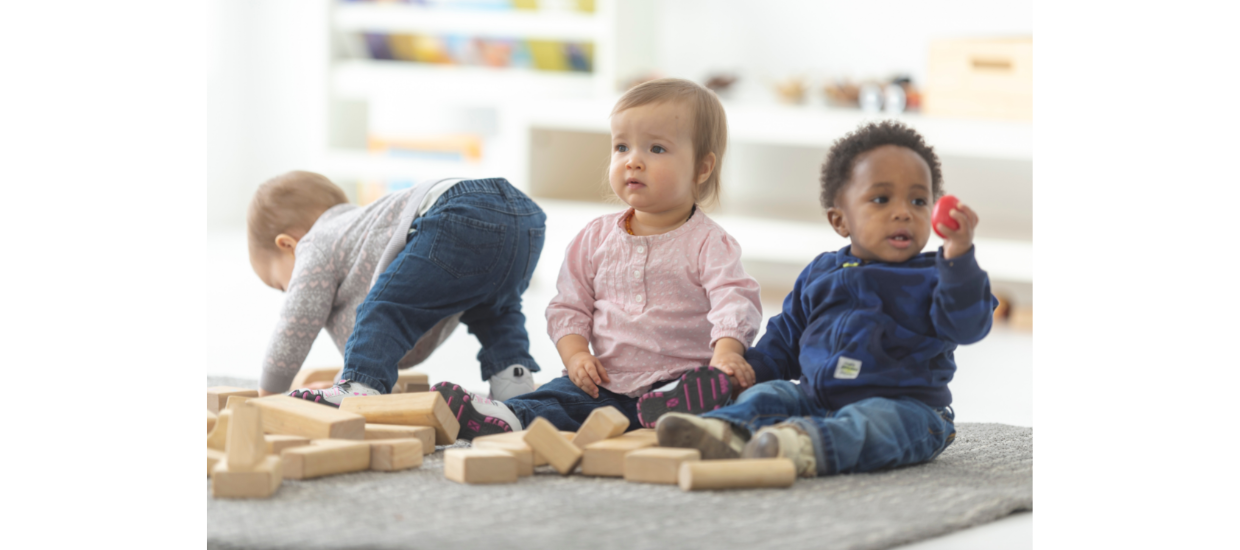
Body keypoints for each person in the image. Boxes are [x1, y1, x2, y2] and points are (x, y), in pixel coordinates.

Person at [656, 121, 996, 477]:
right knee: (772, 394)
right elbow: (786, 338)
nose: (903, 212)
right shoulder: (822, 273)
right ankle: (725, 429)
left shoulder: (940, 276)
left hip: (910, 409)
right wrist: (750, 371)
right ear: (840, 220)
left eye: (919, 200)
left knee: (877, 423)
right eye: (881, 199)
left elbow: (968, 325)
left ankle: (799, 446)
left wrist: (959, 256)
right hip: (816, 399)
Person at [432, 78, 762, 439]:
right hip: (606, 384)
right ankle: (506, 417)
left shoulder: (709, 243)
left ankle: (677, 409)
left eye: (656, 149)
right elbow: (568, 307)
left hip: (679, 382)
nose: (633, 161)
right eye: (622, 147)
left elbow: (734, 300)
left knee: (722, 392)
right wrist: (576, 358)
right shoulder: (595, 238)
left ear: (702, 167)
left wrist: (728, 353)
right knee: (558, 400)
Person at [247, 172, 545, 403]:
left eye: (281, 285)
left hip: (457, 207)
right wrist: (341, 376)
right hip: (525, 220)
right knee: (495, 308)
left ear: (288, 245)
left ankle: (361, 387)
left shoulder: (316, 242)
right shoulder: (359, 232)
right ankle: (513, 384)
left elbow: (296, 323)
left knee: (386, 309)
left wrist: (270, 394)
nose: (294, 291)